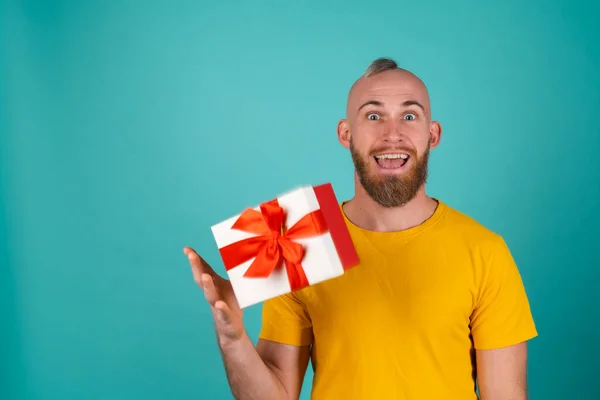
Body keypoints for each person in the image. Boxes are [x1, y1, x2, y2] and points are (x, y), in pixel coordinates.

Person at [183, 57, 538, 400]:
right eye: (373, 115)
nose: (392, 134)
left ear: (433, 135)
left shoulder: (485, 251)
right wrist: (232, 339)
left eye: (409, 116)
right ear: (345, 133)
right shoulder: (296, 241)